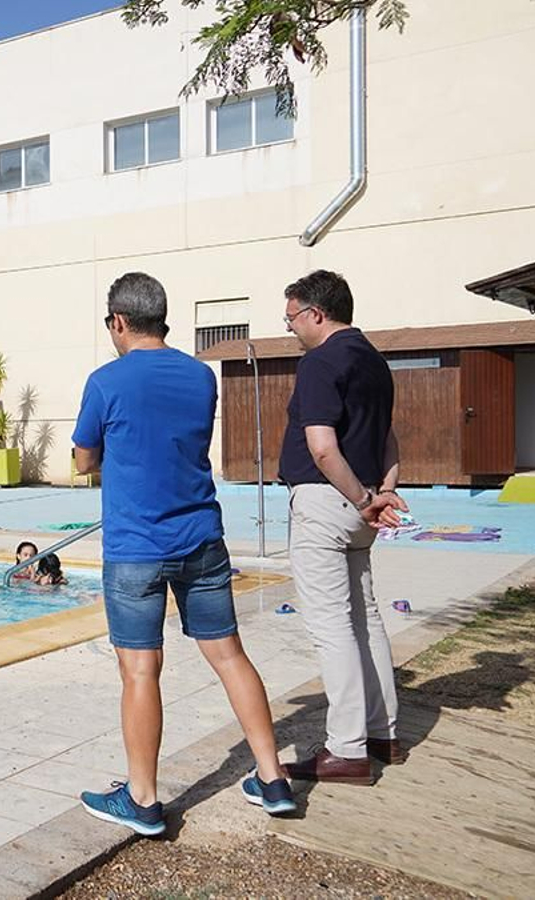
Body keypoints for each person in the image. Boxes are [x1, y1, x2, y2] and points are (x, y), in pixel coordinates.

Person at [72, 272, 291, 837]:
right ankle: (273, 778)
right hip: (201, 539)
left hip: (136, 548)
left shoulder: (105, 381)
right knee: (230, 656)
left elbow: (83, 460)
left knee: (140, 669)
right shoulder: (200, 376)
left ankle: (143, 799)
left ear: (118, 321)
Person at [278, 270, 410, 784]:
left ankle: (347, 749)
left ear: (316, 313)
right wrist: (383, 491)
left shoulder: (320, 362)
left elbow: (322, 447)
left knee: (332, 627)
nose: (290, 327)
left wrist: (363, 499)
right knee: (366, 618)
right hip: (361, 505)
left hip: (328, 503)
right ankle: (383, 733)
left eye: (292, 317)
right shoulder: (374, 361)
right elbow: (389, 437)